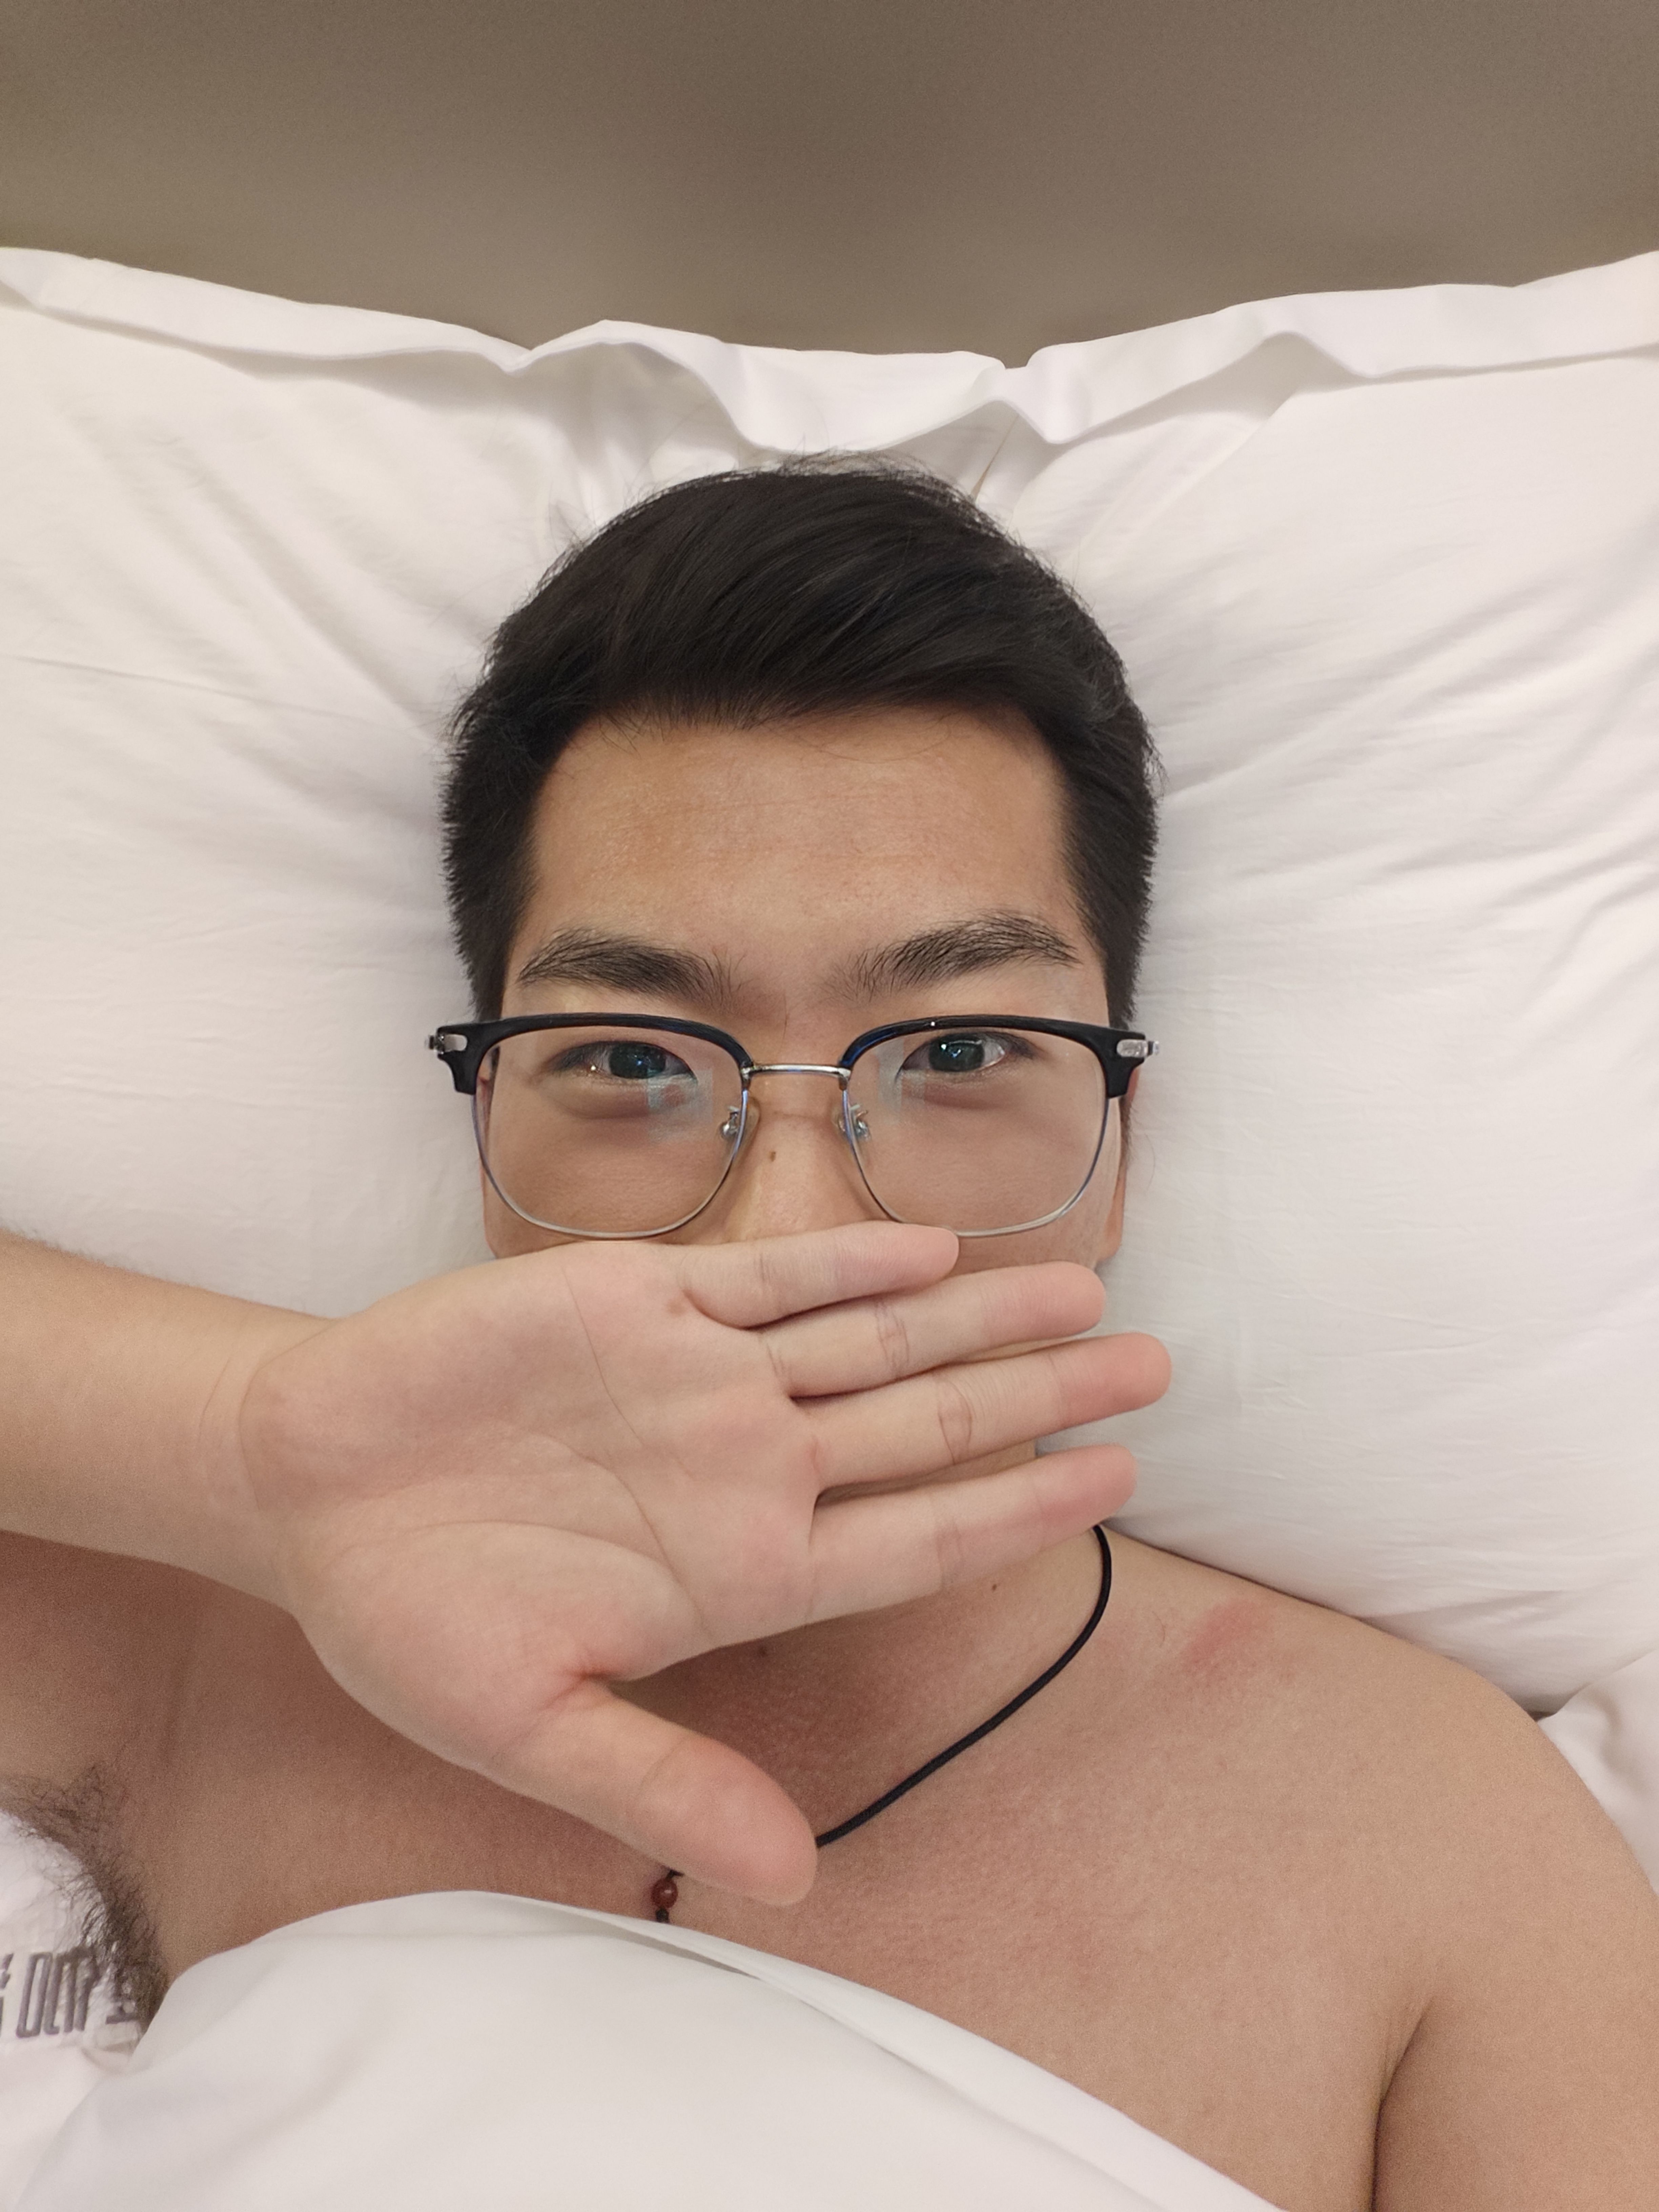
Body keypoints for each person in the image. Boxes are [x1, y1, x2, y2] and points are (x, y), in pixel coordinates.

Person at [3, 460, 1656, 2212]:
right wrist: (245, 1437)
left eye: (959, 1054)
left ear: (1120, 1147)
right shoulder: (232, 1647)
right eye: (630, 1059)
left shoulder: (1437, 1841)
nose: (790, 1235)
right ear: (483, 1129)